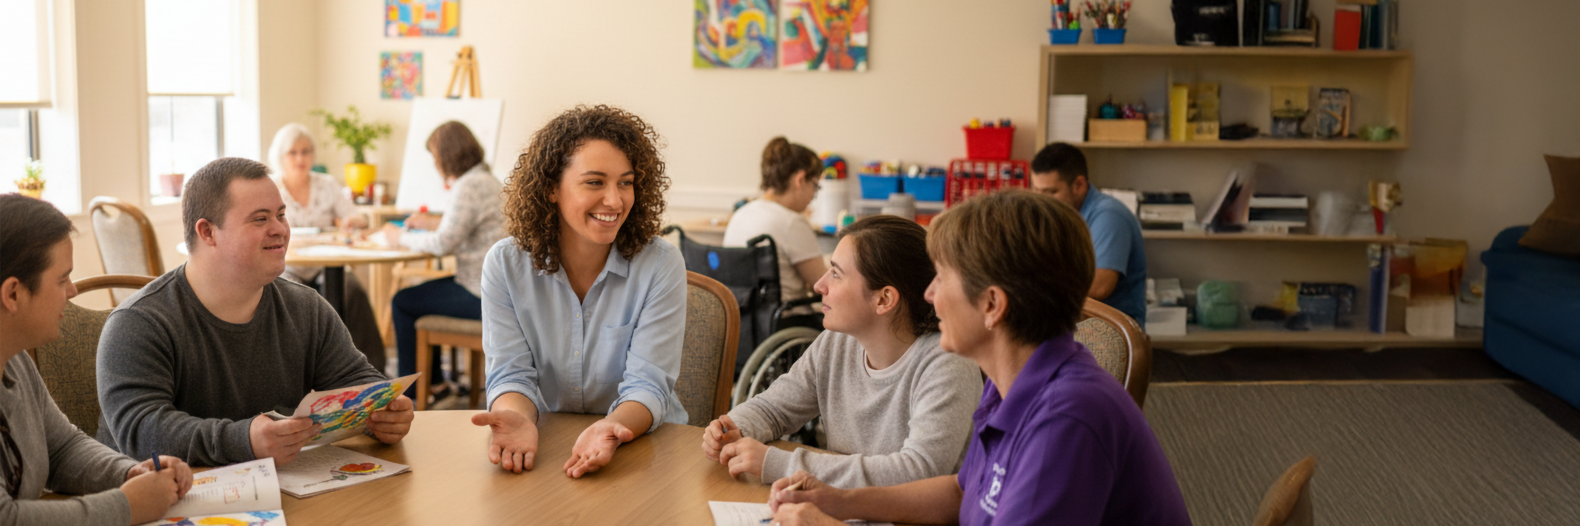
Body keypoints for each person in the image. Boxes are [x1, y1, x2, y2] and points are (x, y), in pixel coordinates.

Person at [763, 190, 1191, 526]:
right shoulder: (1016, 383)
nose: (929, 295)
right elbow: (963, 494)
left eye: (943, 278)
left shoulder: (1066, 419)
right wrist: (840, 501)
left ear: (992, 305)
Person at [96, 158, 414, 467]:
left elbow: (358, 383)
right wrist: (244, 440)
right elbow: (140, 434)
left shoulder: (307, 308)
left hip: (279, 498)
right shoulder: (137, 323)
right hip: (157, 506)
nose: (281, 230)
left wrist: (384, 414)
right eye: (260, 219)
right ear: (207, 232)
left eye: (281, 214)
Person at [470, 105, 686, 479]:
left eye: (626, 182)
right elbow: (511, 374)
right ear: (551, 188)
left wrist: (611, 428)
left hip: (643, 449)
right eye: (594, 182)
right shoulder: (505, 265)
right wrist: (516, 417)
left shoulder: (661, 264)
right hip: (548, 448)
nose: (615, 201)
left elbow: (648, 385)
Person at [701, 216, 981, 488]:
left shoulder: (948, 363)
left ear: (884, 299)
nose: (819, 285)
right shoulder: (836, 342)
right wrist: (734, 427)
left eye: (835, 274)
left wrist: (781, 464)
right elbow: (774, 409)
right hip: (844, 508)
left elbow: (919, 472)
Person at [0, 193, 193, 525]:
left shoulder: (15, 360)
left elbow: (62, 448)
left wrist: (130, 472)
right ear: (13, 293)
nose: (72, 292)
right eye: (62, 280)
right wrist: (126, 506)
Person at [380, 121, 508, 403]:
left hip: (481, 293)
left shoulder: (469, 185)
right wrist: (432, 222)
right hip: (495, 287)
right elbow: (465, 227)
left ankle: (411, 393)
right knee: (425, 295)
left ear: (447, 155)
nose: (435, 164)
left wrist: (399, 236)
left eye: (435, 157)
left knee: (404, 301)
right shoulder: (486, 179)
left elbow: (442, 244)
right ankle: (435, 383)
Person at [266, 123, 386, 372]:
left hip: (327, 263)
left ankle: (373, 371)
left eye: (306, 151)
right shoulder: (270, 187)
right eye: (293, 152)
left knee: (353, 292)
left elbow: (357, 217)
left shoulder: (327, 184)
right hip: (289, 266)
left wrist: (354, 221)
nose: (301, 158)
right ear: (281, 156)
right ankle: (300, 373)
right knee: (289, 299)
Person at [1029, 142, 1147, 326]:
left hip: (1112, 334)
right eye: (1036, 190)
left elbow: (1100, 287)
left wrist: (1035, 291)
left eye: (1050, 192)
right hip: (1075, 323)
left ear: (1079, 185)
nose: (1041, 201)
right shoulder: (1060, 216)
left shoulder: (1109, 215)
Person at [723, 137, 828, 305]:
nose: (813, 195)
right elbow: (825, 285)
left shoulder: (740, 215)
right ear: (800, 179)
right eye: (815, 186)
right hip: (790, 321)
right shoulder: (791, 222)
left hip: (747, 321)